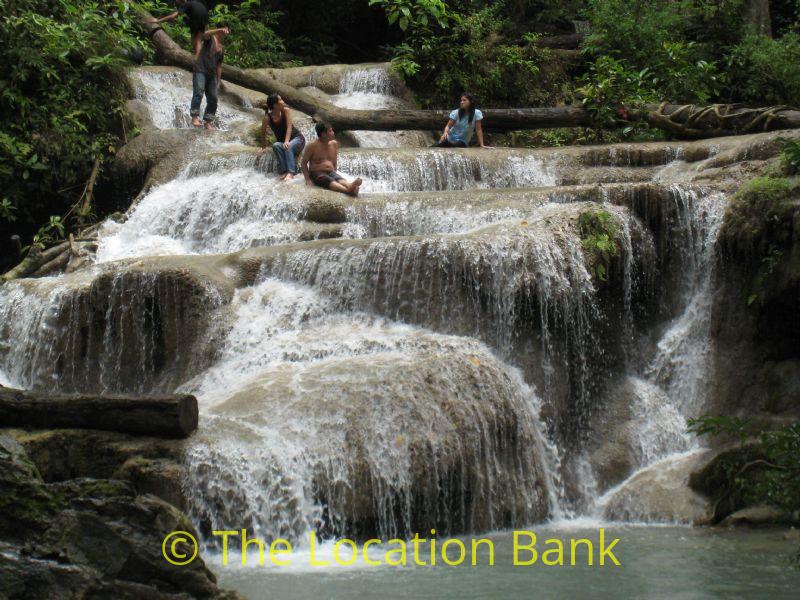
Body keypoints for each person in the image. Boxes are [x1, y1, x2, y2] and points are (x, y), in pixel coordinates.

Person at [301, 123, 362, 196]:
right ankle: (347, 190)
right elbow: (303, 163)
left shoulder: (334, 144)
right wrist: (307, 179)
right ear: (323, 134)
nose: (333, 133)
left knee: (339, 179)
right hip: (316, 173)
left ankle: (350, 185)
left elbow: (334, 162)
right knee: (329, 180)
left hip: (330, 172)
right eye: (330, 131)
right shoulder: (312, 145)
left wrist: (335, 172)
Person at [258, 93, 306, 181]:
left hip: (298, 139)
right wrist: (263, 147)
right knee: (275, 145)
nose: (283, 101)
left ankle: (290, 173)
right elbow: (263, 132)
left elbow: (289, 127)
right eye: (280, 100)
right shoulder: (267, 118)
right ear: (275, 105)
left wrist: (287, 141)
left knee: (288, 146)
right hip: (283, 143)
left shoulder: (285, 110)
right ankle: (284, 171)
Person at [190, 26, 229, 130]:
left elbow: (219, 66)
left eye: (226, 30)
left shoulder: (221, 48)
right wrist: (218, 30)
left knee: (213, 98)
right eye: (224, 29)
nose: (225, 32)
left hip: (212, 74)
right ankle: (194, 117)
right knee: (199, 92)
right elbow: (204, 35)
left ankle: (208, 122)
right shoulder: (210, 38)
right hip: (200, 70)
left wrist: (218, 81)